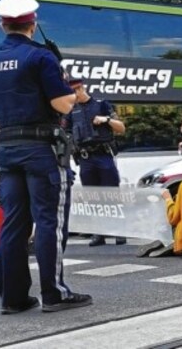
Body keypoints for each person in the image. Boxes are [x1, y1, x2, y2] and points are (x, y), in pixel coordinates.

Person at [0, 0, 91, 314]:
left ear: (2, 24)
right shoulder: (41, 57)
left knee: (14, 223)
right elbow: (62, 104)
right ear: (33, 23)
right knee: (49, 221)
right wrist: (66, 85)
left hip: (8, 151)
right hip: (42, 150)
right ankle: (53, 293)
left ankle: (13, 298)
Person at [64, 77, 127, 247]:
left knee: (111, 194)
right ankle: (98, 234)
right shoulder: (71, 111)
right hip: (85, 159)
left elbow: (121, 127)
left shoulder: (102, 104)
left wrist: (106, 120)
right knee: (92, 197)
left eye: (77, 90)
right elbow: (66, 133)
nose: (75, 94)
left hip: (103, 155)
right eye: (72, 91)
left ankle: (119, 232)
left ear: (83, 88)